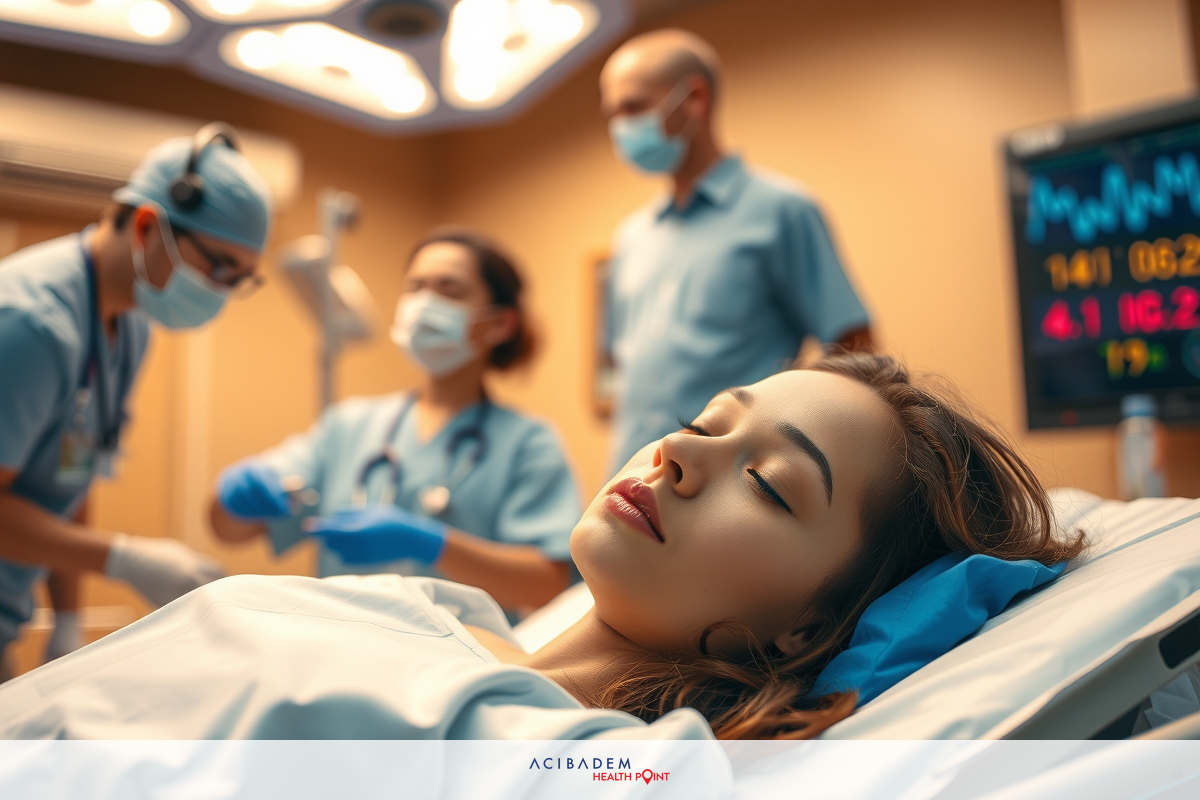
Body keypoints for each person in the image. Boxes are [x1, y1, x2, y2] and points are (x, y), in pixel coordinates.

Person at [0, 353, 1084, 739]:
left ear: (810, 618)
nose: (678, 455)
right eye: (705, 421)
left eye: (767, 478)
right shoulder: (446, 618)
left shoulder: (587, 757)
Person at [0, 123, 273, 678]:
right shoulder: (31, 323)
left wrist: (68, 623)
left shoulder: (130, 324)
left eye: (241, 279)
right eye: (219, 267)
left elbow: (70, 476)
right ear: (148, 226)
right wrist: (120, 558)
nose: (222, 291)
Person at [209, 228, 580, 615]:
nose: (424, 304)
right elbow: (230, 530)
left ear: (500, 324)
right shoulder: (349, 426)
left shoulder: (528, 442)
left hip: (465, 660)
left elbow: (548, 583)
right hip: (345, 646)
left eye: (449, 290)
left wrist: (431, 543)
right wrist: (234, 497)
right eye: (415, 287)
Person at [600, 29, 875, 469]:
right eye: (612, 113)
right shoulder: (631, 238)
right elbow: (623, 367)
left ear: (693, 99)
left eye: (632, 107)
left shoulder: (782, 211)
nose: (620, 126)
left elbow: (854, 347)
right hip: (632, 478)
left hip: (725, 491)